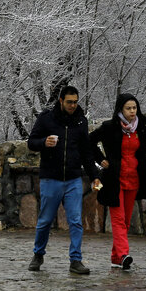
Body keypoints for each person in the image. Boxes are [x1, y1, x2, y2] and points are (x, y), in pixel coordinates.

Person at [26, 85, 102, 275]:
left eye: (76, 102)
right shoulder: (46, 119)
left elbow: (87, 152)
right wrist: (44, 143)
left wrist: (95, 177)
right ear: (61, 101)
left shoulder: (81, 122)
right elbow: (31, 142)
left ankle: (76, 260)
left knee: (76, 221)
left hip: (73, 179)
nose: (73, 105)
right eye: (69, 102)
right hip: (51, 178)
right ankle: (38, 254)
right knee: (45, 220)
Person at [89, 93, 146, 270]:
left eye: (134, 108)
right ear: (120, 109)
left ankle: (116, 256)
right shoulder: (109, 127)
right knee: (118, 219)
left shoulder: (140, 127)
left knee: (126, 220)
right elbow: (89, 142)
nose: (132, 111)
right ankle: (124, 254)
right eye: (128, 108)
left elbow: (144, 152)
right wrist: (101, 159)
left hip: (133, 178)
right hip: (114, 179)